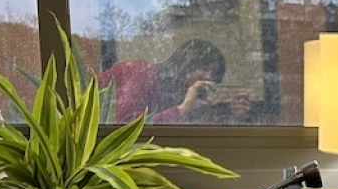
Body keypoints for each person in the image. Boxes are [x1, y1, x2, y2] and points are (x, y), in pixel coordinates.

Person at [98, 38, 249, 124]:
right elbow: (123, 125)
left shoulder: (187, 96)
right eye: (203, 68)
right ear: (185, 65)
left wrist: (234, 116)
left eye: (214, 75)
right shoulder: (141, 73)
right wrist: (182, 109)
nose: (208, 77)